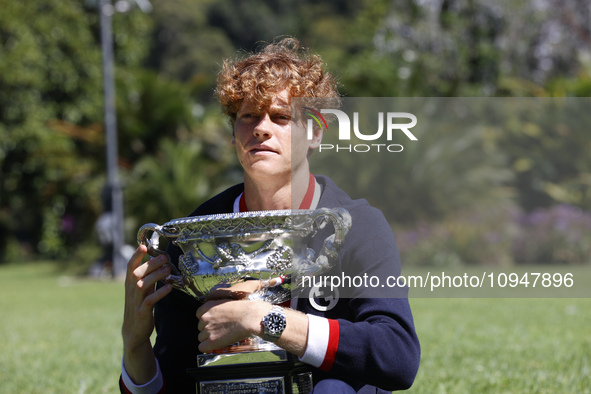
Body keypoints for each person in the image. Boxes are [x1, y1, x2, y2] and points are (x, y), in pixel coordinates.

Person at [121, 37, 420, 393]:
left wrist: (263, 319)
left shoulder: (357, 226)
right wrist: (135, 344)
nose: (261, 128)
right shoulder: (194, 241)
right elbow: (175, 383)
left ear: (315, 133)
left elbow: (398, 356)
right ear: (233, 133)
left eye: (280, 116)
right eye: (247, 116)